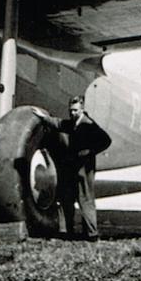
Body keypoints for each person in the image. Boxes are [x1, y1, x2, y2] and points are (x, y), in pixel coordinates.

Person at [57, 96, 111, 242]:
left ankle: (92, 234)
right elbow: (59, 123)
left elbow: (106, 140)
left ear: (82, 109)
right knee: (66, 197)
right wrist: (43, 117)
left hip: (84, 168)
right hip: (74, 167)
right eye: (70, 110)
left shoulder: (88, 125)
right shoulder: (74, 123)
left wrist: (89, 151)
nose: (72, 113)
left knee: (85, 199)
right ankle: (65, 231)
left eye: (75, 110)